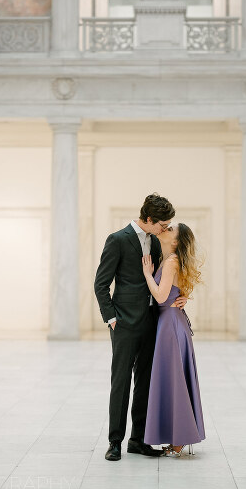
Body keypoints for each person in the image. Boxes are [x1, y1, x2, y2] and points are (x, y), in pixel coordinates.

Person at [94, 193, 188, 461]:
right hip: (123, 323)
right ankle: (115, 442)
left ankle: (138, 440)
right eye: (162, 225)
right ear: (148, 219)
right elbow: (101, 283)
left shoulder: (157, 244)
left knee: (146, 382)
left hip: (152, 321)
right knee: (121, 382)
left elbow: (163, 279)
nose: (164, 229)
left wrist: (180, 298)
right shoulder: (118, 239)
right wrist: (111, 318)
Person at [142, 222, 206, 457]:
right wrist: (183, 295)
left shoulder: (170, 262)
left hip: (169, 324)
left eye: (170, 230)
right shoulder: (170, 259)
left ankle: (178, 439)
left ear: (176, 241)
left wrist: (148, 275)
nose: (165, 230)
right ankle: (178, 436)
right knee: (173, 379)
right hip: (172, 322)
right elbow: (175, 290)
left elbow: (160, 297)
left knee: (173, 380)